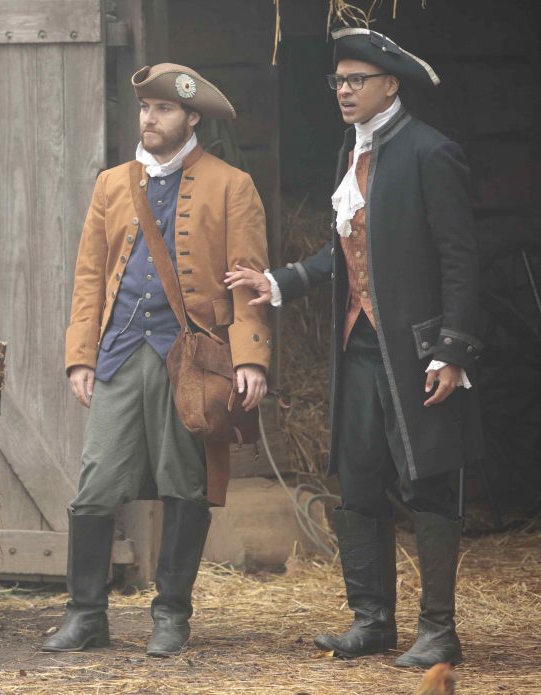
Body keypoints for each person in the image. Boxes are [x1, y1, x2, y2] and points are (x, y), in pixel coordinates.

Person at [225, 29, 481, 668]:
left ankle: (438, 631)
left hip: (417, 353)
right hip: (358, 351)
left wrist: (452, 349)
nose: (343, 90)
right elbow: (342, 250)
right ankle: (372, 622)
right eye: (338, 81)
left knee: (428, 484)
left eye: (356, 80)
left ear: (390, 85)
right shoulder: (351, 151)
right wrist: (279, 282)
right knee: (360, 484)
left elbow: (460, 259)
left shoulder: (430, 151)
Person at [41, 63, 272, 657]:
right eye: (145, 107)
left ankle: (171, 615)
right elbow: (89, 276)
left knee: (184, 488)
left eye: (164, 109)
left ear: (191, 117)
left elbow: (247, 285)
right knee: (94, 487)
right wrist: (80, 356)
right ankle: (86, 614)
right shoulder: (112, 183)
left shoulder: (232, 186)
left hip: (188, 360)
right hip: (119, 354)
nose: (150, 117)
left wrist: (250, 359)